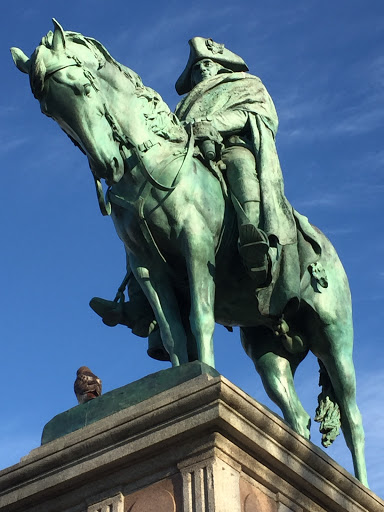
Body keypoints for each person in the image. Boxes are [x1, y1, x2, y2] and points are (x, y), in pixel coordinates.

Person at [175, 37, 298, 285]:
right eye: (196, 68)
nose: (202, 70)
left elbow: (257, 113)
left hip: (232, 148)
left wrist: (212, 124)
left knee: (240, 165)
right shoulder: (183, 105)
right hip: (190, 155)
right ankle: (137, 292)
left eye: (207, 64)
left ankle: (252, 239)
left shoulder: (245, 84)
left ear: (221, 65)